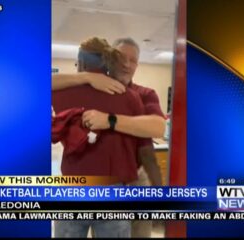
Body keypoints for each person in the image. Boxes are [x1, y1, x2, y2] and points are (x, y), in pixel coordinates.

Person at [53, 37, 165, 237]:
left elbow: (157, 127)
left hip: (129, 176)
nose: (126, 64)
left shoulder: (143, 94)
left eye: (132, 60)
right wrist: (86, 77)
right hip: (111, 182)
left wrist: (110, 120)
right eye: (121, 57)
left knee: (138, 231)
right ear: (110, 59)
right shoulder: (130, 98)